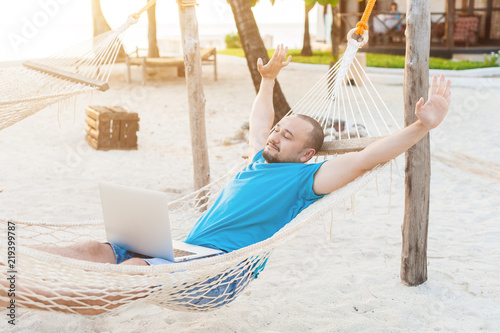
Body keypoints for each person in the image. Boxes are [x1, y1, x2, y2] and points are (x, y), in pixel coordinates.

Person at [1, 45, 451, 314]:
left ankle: (17, 295)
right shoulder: (261, 156)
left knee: (131, 273)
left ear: (308, 153)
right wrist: (267, 81)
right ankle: (15, 264)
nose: (275, 135)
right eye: (278, 129)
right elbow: (260, 121)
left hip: (219, 273)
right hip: (180, 253)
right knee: (93, 250)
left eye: (286, 135)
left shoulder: (308, 179)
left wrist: (421, 127)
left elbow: (366, 159)